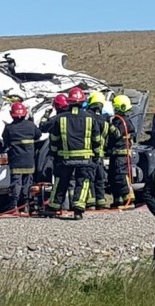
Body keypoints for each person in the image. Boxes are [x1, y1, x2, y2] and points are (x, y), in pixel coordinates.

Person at [47, 87, 101, 220]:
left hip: (64, 158)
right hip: (85, 158)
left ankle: (53, 206)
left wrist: (54, 154)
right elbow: (97, 140)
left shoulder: (60, 119)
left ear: (69, 102)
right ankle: (78, 209)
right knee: (83, 182)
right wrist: (97, 155)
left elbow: (54, 139)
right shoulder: (90, 118)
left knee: (61, 182)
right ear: (83, 101)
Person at [2, 102, 42, 212]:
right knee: (28, 182)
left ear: (11, 114)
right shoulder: (30, 125)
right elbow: (38, 135)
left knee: (16, 182)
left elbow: (5, 142)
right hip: (29, 160)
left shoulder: (9, 128)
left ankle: (14, 206)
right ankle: (26, 205)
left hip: (16, 160)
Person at [106, 95, 136, 208]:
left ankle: (129, 198)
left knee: (121, 175)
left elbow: (117, 134)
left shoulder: (124, 122)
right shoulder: (117, 120)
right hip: (115, 154)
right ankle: (118, 199)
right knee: (113, 178)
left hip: (122, 155)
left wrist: (108, 125)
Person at [86, 91, 111, 210]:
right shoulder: (104, 120)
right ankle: (101, 201)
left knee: (89, 178)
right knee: (100, 178)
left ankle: (90, 202)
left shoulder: (87, 117)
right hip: (100, 154)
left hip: (89, 153)